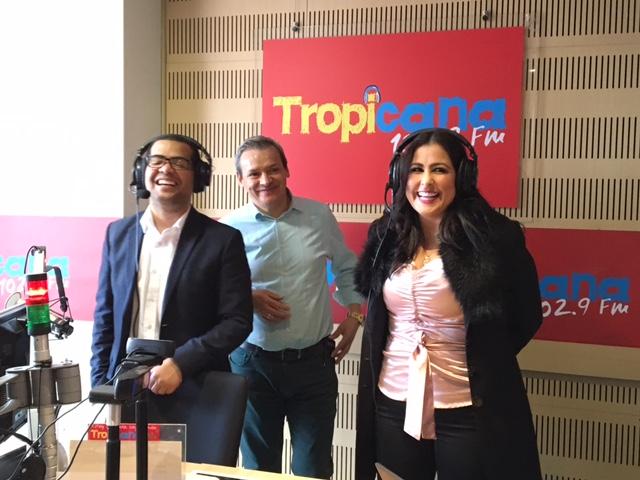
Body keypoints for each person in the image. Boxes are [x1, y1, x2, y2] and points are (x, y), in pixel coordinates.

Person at [354, 128, 543, 480]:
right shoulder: (385, 234)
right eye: (416, 169)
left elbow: (526, 316)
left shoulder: (496, 238)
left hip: (467, 407)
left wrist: (484, 356)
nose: (426, 181)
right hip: (394, 402)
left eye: (439, 169)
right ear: (400, 177)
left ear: (462, 176)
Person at [90, 133, 253, 461]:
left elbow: (237, 320)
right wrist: (100, 384)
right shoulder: (117, 234)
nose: (166, 169)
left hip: (196, 390)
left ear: (198, 177)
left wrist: (180, 363)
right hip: (124, 391)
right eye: (157, 160)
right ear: (142, 171)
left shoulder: (223, 240)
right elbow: (105, 317)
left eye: (179, 162)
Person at [221, 135, 363, 479]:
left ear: (287, 170)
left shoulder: (318, 216)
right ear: (240, 180)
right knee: (259, 470)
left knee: (313, 470)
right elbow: (215, 291)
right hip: (253, 365)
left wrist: (355, 314)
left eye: (273, 169)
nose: (265, 180)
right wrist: (249, 298)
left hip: (313, 365)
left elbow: (347, 267)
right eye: (254, 173)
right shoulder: (228, 228)